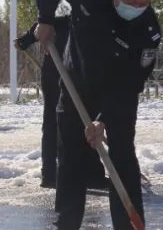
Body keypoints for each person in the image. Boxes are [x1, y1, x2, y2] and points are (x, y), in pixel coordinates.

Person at [32, 0, 161, 230]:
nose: (137, 7)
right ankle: (65, 228)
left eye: (144, 2)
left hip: (118, 91)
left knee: (123, 153)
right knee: (70, 155)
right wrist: (45, 18)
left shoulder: (148, 30)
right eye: (131, 1)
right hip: (77, 79)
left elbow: (133, 83)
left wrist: (104, 119)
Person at [15, 16, 107, 190]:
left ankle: (92, 174)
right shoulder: (67, 0)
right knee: (54, 120)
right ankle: (50, 175)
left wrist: (25, 40)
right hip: (57, 68)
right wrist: (26, 40)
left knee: (87, 118)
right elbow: (45, 22)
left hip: (84, 67)